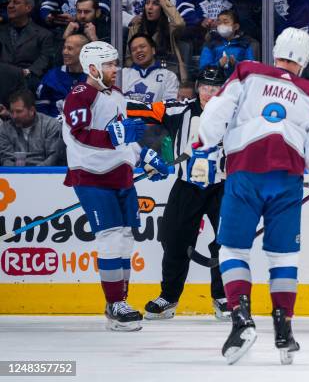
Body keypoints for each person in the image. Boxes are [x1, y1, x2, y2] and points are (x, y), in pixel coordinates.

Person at [192, 27, 309, 364]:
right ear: (304, 61)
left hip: (245, 172)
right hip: (287, 181)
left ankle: (241, 319)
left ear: (276, 51)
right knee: (283, 256)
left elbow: (217, 112)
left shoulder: (248, 72)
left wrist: (203, 145)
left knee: (233, 249)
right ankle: (283, 327)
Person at [62, 41, 170, 331]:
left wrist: (145, 156)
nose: (115, 69)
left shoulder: (118, 96)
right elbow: (79, 134)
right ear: (93, 68)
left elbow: (124, 140)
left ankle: (119, 301)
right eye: (109, 64)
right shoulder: (80, 94)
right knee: (109, 237)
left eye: (114, 63)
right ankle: (114, 305)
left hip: (120, 175)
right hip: (91, 175)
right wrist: (116, 136)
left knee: (125, 237)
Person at [125, 66, 230, 321]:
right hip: (187, 186)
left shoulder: (237, 115)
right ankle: (169, 297)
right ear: (197, 87)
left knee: (227, 243)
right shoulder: (178, 109)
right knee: (173, 240)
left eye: (215, 88)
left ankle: (223, 297)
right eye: (205, 87)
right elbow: (135, 109)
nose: (209, 93)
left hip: (224, 187)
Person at [126, 0, 187, 82]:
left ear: (162, 7)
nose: (150, 7)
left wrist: (164, 1)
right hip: (141, 76)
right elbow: (129, 59)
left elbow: (179, 23)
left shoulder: (170, 28)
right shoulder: (136, 28)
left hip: (168, 76)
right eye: (147, 3)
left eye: (155, 4)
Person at [0, 0, 54, 92]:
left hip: (27, 81)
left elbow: (45, 59)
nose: (10, 6)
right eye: (9, 2)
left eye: (16, 2)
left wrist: (28, 72)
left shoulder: (44, 34)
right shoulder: (1, 31)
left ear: (28, 8)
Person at [0, 89, 63, 166]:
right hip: (14, 174)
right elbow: (6, 159)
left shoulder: (51, 125)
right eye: (12, 111)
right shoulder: (4, 129)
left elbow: (53, 158)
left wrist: (33, 174)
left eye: (19, 111)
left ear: (32, 110)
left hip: (45, 174)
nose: (14, 116)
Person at [36, 34, 88, 118]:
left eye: (70, 49)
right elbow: (41, 109)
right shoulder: (52, 76)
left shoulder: (93, 77)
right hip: (55, 126)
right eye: (64, 48)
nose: (64, 52)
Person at [123, 33, 180, 104]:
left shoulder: (169, 76)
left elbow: (169, 107)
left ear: (153, 50)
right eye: (134, 49)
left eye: (142, 46)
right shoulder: (122, 74)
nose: (138, 51)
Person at [199, 9, 254, 77]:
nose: (221, 25)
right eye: (219, 22)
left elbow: (251, 69)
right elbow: (203, 69)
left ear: (235, 26)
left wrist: (236, 64)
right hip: (216, 84)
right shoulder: (211, 44)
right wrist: (218, 64)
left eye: (225, 22)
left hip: (237, 83)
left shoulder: (244, 44)